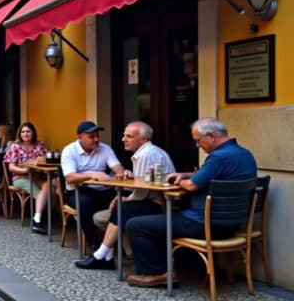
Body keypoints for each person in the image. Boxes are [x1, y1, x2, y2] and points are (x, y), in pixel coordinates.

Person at [125, 118, 257, 288]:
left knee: (136, 225)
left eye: (198, 140)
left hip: (203, 223)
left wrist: (178, 181)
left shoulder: (218, 157)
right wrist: (186, 174)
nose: (197, 145)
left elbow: (192, 185)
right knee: (160, 220)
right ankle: (175, 265)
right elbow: (206, 174)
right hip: (232, 224)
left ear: (211, 136)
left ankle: (157, 273)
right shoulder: (243, 153)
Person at [76, 121, 175, 270]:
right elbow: (145, 183)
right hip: (156, 201)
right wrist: (131, 178)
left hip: (161, 205)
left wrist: (124, 198)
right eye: (124, 136)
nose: (123, 139)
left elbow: (142, 193)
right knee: (114, 210)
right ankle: (107, 256)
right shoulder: (147, 152)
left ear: (143, 140)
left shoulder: (145, 154)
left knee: (119, 209)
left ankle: (102, 255)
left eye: (128, 136)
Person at [61, 121, 126, 251]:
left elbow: (117, 167)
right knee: (85, 203)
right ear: (80, 137)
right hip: (77, 191)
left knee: (124, 200)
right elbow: (69, 177)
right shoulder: (69, 150)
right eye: (91, 136)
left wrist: (123, 173)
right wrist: (92, 175)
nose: (96, 139)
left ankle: (120, 244)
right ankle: (94, 245)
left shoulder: (105, 148)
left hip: (103, 191)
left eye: (97, 136)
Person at [3, 121, 51, 232]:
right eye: (23, 132)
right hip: (20, 178)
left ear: (33, 133)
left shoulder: (41, 145)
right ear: (19, 134)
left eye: (28, 131)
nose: (25, 134)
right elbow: (11, 168)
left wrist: (38, 162)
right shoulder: (15, 147)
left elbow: (45, 160)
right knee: (42, 194)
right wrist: (24, 170)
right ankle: (39, 220)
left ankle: (40, 217)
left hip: (38, 176)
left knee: (50, 187)